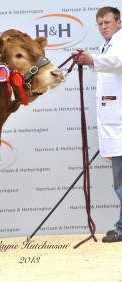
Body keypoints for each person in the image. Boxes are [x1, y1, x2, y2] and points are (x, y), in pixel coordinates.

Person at [74, 6, 122, 243]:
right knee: (121, 182)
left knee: (121, 183)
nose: (103, 27)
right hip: (114, 125)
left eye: (107, 22)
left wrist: (91, 59)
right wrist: (90, 60)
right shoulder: (110, 43)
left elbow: (116, 62)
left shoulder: (120, 42)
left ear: (119, 23)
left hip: (119, 127)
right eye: (100, 23)